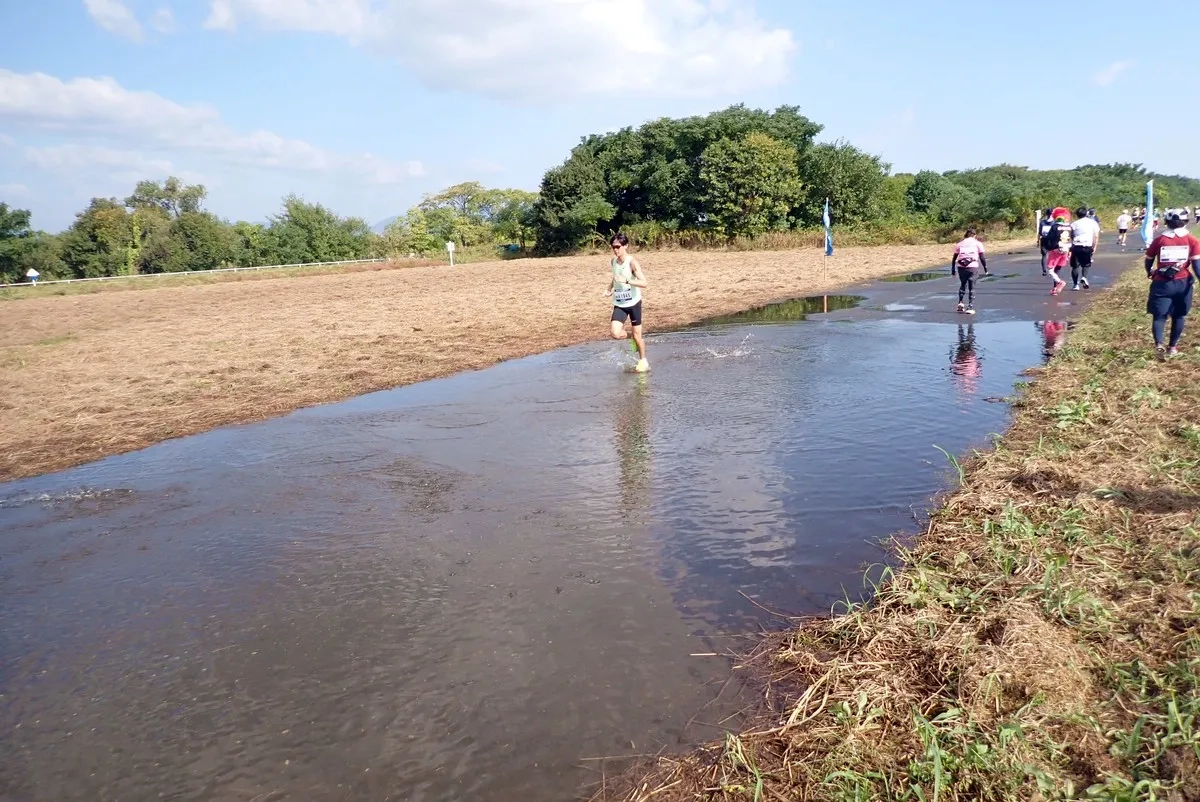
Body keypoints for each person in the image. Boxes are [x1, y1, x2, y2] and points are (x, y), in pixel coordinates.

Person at [1144, 209, 1200, 358]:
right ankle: (1173, 347)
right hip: (1183, 283)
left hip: (1161, 284)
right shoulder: (1192, 240)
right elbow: (1196, 266)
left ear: (1166, 222)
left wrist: (1149, 271)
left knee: (1159, 316)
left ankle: (1159, 344)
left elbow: (1148, 259)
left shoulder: (1159, 240)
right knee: (1179, 316)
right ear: (1186, 221)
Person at [605, 232, 650, 372]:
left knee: (638, 336)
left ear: (626, 246)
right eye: (613, 247)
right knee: (615, 333)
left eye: (618, 246)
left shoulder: (632, 262)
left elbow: (644, 283)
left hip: (634, 303)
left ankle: (643, 361)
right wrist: (609, 289)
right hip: (619, 303)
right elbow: (615, 277)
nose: (615, 249)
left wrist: (627, 281)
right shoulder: (613, 261)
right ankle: (632, 337)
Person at [951, 228, 986, 314]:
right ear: (974, 235)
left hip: (961, 266)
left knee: (963, 284)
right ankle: (970, 307)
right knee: (972, 286)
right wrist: (985, 268)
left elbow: (954, 258)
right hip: (972, 266)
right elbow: (982, 257)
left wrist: (953, 269)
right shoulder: (978, 243)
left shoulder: (960, 244)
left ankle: (960, 303)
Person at [1041, 208, 1072, 295]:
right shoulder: (1069, 227)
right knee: (1057, 269)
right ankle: (1055, 289)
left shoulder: (1055, 227)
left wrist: (1049, 247)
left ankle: (1059, 282)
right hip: (1066, 250)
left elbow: (1050, 238)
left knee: (1051, 270)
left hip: (1056, 250)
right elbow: (1071, 238)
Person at [1069, 205, 1100, 290]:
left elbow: (1071, 235)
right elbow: (1096, 236)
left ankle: (1075, 284)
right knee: (1086, 264)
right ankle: (1084, 277)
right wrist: (1094, 246)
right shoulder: (1093, 223)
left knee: (1075, 266)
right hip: (1087, 245)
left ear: (1077, 215)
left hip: (1076, 246)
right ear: (1086, 213)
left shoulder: (1074, 224)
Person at [1037, 210, 1055, 276]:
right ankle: (1052, 269)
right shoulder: (1054, 222)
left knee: (1044, 256)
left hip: (1044, 240)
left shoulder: (1042, 222)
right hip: (1052, 240)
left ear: (1046, 214)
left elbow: (1039, 232)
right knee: (1052, 255)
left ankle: (1044, 271)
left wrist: (1038, 241)